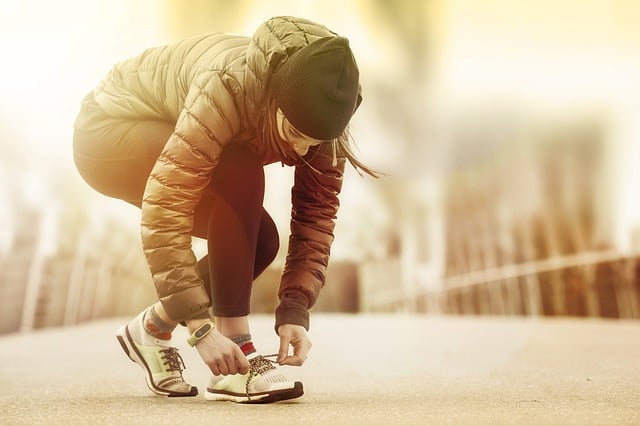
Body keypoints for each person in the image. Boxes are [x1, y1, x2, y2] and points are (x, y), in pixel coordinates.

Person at [72, 15, 377, 403]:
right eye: (296, 135)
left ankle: (151, 327)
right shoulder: (229, 85)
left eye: (313, 141)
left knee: (261, 241)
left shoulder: (329, 114)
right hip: (108, 134)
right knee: (240, 166)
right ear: (278, 101)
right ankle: (240, 351)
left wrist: (295, 310)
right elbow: (169, 205)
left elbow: (315, 218)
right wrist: (201, 328)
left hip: (176, 141)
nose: (303, 150)